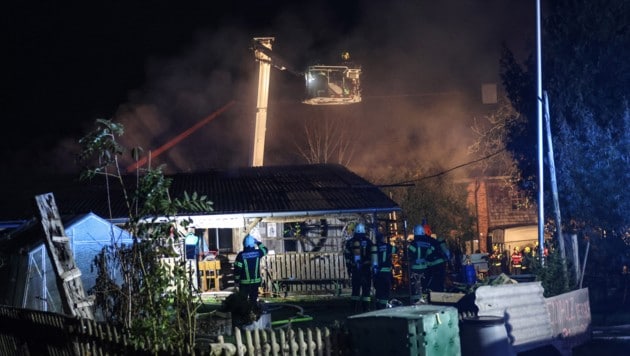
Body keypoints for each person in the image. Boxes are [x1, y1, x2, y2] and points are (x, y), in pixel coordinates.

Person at [344, 223, 375, 312]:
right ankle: (366, 309)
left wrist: (349, 268)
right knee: (366, 291)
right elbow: (373, 255)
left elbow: (347, 256)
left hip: (355, 270)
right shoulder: (368, 241)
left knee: (355, 291)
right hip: (366, 270)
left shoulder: (350, 242)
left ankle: (354, 309)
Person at [234, 234, 268, 305]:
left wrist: (236, 281)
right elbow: (265, 250)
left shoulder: (241, 255)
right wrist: (258, 242)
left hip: (244, 284)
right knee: (253, 300)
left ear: (244, 244)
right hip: (255, 283)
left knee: (243, 301)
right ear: (253, 244)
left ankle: (245, 314)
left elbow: (237, 270)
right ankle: (253, 313)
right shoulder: (258, 253)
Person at [407, 225, 434, 304]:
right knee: (424, 286)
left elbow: (409, 254)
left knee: (415, 286)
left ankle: (416, 301)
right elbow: (430, 253)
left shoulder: (414, 243)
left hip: (415, 268)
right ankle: (424, 299)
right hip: (425, 267)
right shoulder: (427, 243)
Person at [372, 231, 396, 309]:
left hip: (377, 273)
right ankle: (384, 306)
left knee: (379, 290)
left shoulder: (374, 247)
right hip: (386, 272)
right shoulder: (388, 246)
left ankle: (378, 306)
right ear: (382, 239)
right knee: (386, 290)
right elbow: (395, 250)